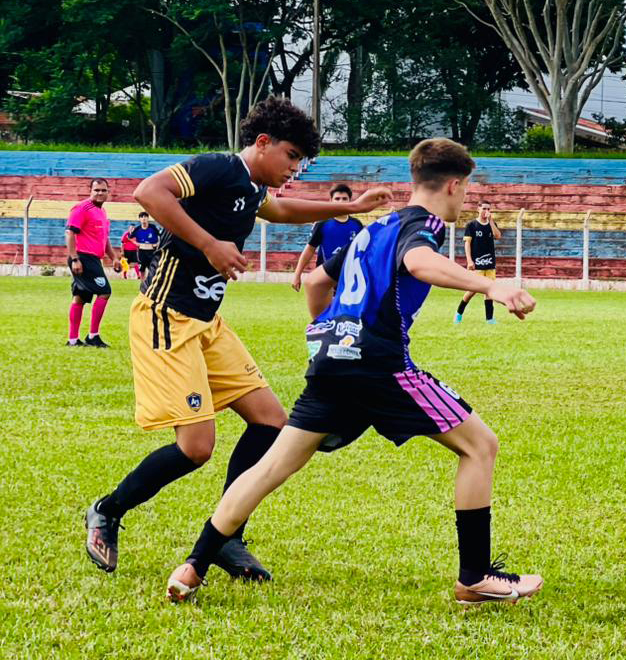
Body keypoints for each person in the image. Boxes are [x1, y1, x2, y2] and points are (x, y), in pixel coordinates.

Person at [164, 137, 543, 607]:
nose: (463, 199)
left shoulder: (374, 227)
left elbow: (321, 279)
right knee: (480, 445)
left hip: (332, 360)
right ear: (454, 184)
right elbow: (418, 262)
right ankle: (475, 577)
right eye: (465, 191)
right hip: (378, 363)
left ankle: (193, 566)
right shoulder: (422, 225)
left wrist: (323, 326)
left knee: (274, 466)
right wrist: (492, 284)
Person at [82, 96, 391, 579]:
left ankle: (227, 538)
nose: (295, 169)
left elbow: (283, 209)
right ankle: (108, 510)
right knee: (197, 447)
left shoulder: (249, 187)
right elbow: (149, 192)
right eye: (291, 157)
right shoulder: (219, 168)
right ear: (263, 143)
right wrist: (210, 244)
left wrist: (349, 206)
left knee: (271, 423)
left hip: (207, 323)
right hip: (166, 315)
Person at [65, 178, 121, 348]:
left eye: (103, 190)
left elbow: (104, 239)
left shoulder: (102, 212)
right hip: (83, 258)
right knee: (105, 292)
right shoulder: (82, 208)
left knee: (80, 298)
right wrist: (75, 259)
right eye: (96, 190)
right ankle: (93, 336)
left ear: (108, 192)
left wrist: (114, 257)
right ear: (90, 190)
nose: (100, 193)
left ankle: (73, 340)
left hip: (92, 259)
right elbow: (69, 233)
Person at [291, 184, 364, 292]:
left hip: (349, 277)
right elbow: (310, 249)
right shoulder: (322, 223)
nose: (341, 202)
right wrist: (297, 274)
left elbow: (362, 252)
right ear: (331, 201)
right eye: (337, 199)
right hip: (325, 277)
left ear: (350, 201)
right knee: (325, 308)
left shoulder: (357, 225)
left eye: (344, 199)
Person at [455, 201, 501, 324]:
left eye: (489, 209)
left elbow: (498, 236)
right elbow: (467, 244)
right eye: (484, 208)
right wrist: (469, 261)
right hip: (477, 263)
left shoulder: (492, 224)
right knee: (472, 290)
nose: (486, 211)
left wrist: (491, 221)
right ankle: (459, 313)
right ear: (478, 209)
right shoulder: (472, 225)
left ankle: (489, 318)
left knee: (489, 290)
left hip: (490, 262)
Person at [132, 211, 160, 280]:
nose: (143, 219)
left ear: (148, 218)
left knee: (153, 268)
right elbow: (129, 238)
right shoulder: (137, 229)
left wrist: (157, 244)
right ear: (139, 219)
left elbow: (160, 236)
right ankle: (142, 282)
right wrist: (136, 243)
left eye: (145, 217)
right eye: (142, 217)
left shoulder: (152, 227)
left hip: (152, 251)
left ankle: (152, 282)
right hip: (142, 251)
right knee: (142, 268)